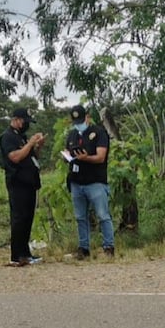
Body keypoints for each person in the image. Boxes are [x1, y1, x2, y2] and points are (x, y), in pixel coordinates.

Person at [64, 104, 114, 259]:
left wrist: (86, 158)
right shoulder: (72, 135)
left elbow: (100, 157)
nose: (78, 124)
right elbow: (68, 152)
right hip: (76, 182)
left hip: (95, 182)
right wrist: (67, 157)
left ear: (87, 117)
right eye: (75, 121)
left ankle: (108, 247)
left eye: (80, 120)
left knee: (102, 215)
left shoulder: (99, 133)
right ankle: (83, 248)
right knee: (80, 217)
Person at [0, 106, 44, 266]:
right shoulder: (8, 137)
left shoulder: (22, 137)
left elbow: (32, 157)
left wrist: (38, 146)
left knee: (27, 218)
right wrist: (30, 143)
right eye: (25, 121)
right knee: (19, 219)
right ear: (17, 120)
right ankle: (16, 255)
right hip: (17, 183)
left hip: (30, 183)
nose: (27, 125)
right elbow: (15, 157)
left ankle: (26, 254)